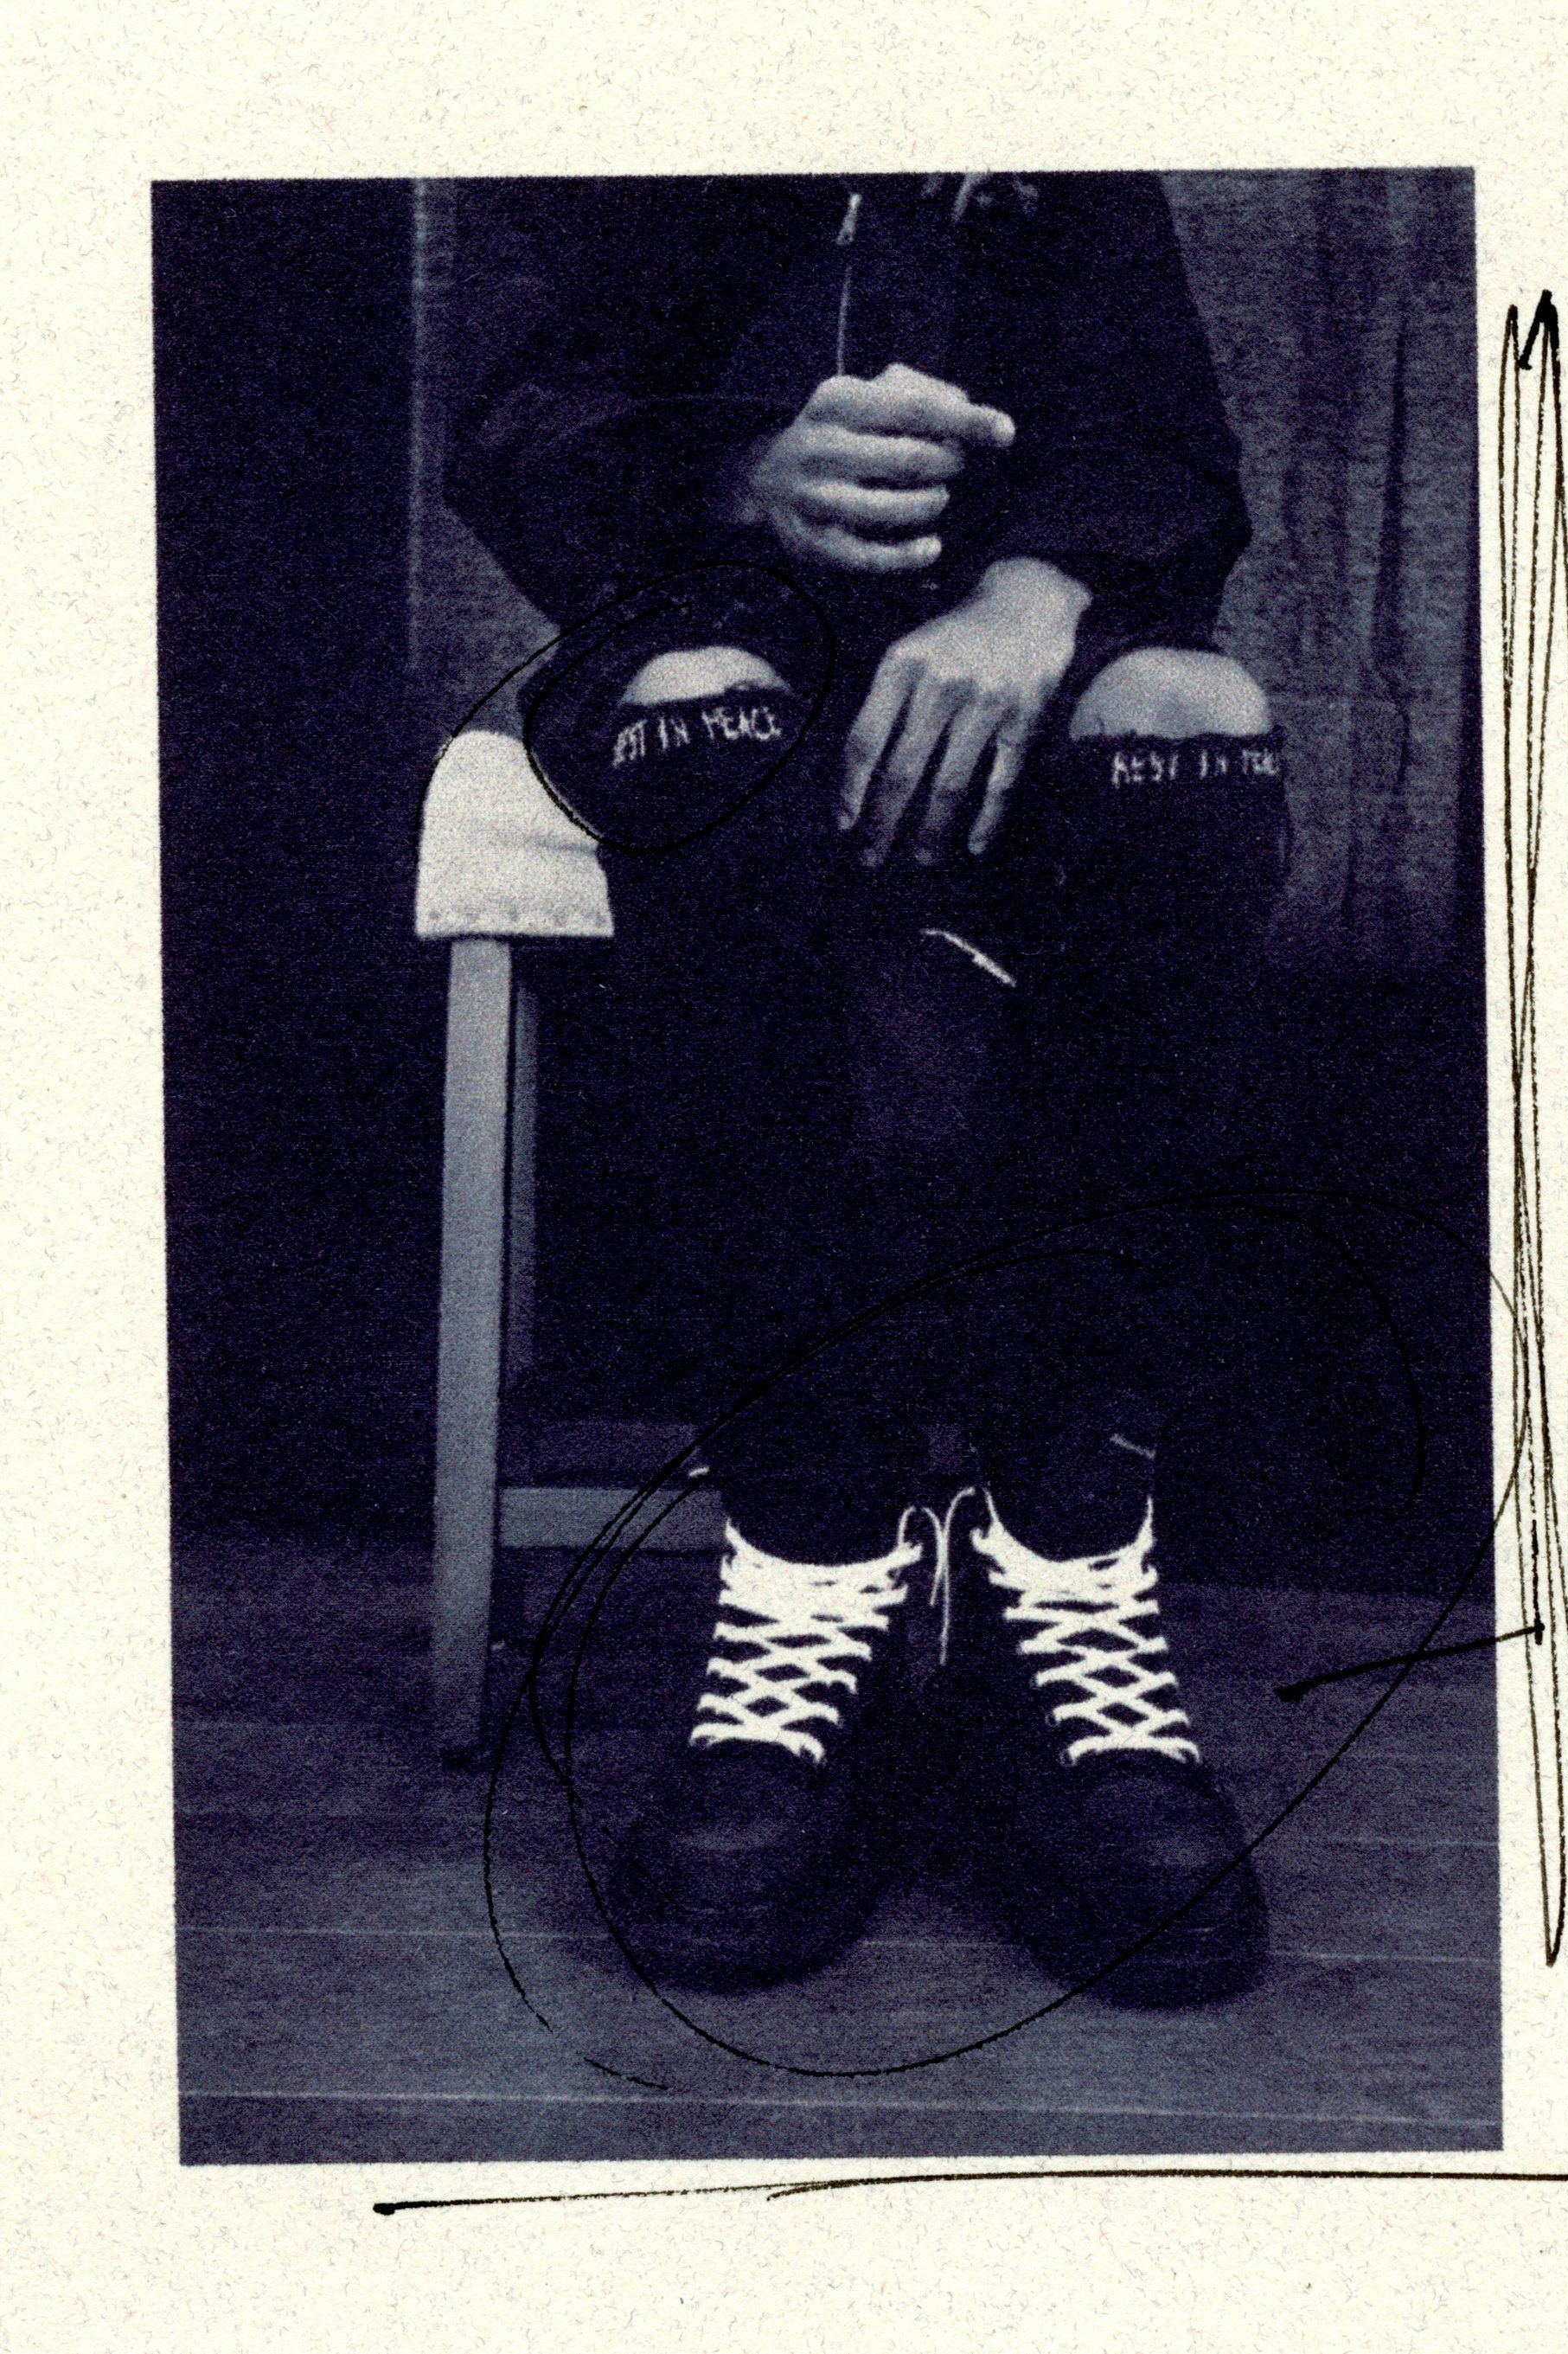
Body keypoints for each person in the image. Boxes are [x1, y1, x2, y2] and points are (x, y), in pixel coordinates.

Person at [448, 172, 1289, 2004]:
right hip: (697, 605)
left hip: (1036, 625)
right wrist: (746, 473)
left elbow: (1167, 429)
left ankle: (1060, 1562)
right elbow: (515, 413)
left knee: (1190, 742)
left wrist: (1036, 585)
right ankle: (815, 1550)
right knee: (712, 723)